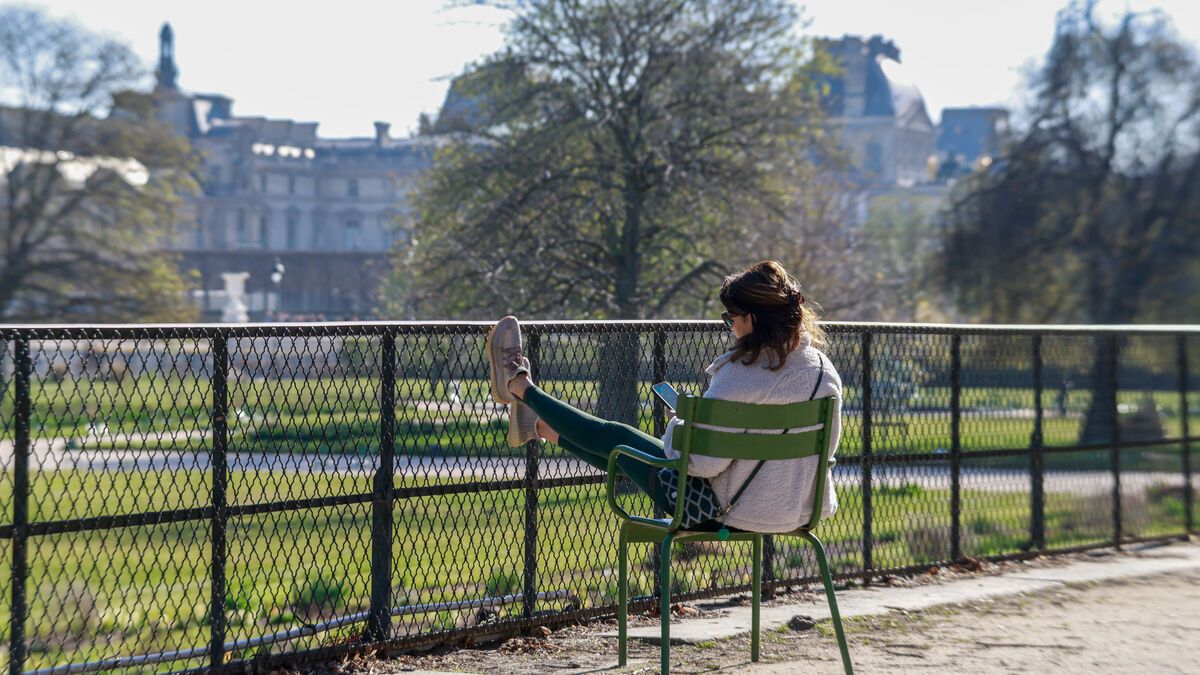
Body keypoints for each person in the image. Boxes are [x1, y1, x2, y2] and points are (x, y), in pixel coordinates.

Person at [486, 260, 842, 532]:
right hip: (798, 512)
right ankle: (538, 426)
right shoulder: (823, 371)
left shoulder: (741, 375)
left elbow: (699, 464)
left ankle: (517, 385)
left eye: (730, 316)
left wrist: (683, 428)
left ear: (751, 318)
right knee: (624, 453)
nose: (729, 325)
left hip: (722, 512)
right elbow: (827, 448)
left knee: (618, 439)